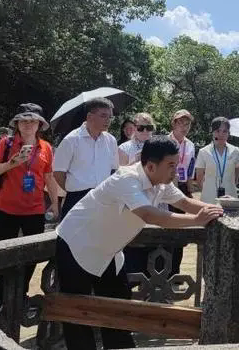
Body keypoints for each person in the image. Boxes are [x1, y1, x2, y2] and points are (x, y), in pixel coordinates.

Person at [55, 136, 223, 350]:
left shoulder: (161, 183)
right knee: (78, 314)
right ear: (151, 166)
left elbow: (183, 202)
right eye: (171, 165)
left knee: (118, 310)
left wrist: (215, 211)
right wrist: (196, 220)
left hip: (108, 252)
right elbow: (149, 214)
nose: (175, 171)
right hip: (76, 246)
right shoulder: (126, 178)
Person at [0, 103, 59, 307]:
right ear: (17, 123)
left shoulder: (46, 147)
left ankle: (20, 294)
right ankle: (2, 299)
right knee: (4, 255)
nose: (28, 124)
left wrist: (54, 203)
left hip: (34, 209)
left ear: (39, 125)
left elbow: (49, 177)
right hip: (6, 208)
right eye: (24, 120)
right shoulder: (6, 143)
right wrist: (13, 162)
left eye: (33, 121)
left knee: (32, 255)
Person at [53, 97, 119, 219]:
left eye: (110, 117)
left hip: (103, 197)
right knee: (72, 231)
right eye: (103, 116)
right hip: (77, 198)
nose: (108, 120)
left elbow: (113, 170)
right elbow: (58, 172)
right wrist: (73, 189)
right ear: (89, 116)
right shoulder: (71, 140)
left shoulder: (111, 140)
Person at [168, 109, 196, 277]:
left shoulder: (190, 144)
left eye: (187, 124)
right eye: (181, 123)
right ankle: (162, 271)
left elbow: (191, 167)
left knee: (179, 228)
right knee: (166, 226)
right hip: (166, 185)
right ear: (174, 123)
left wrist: (190, 188)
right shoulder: (165, 141)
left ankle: (175, 272)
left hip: (183, 186)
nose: (184, 127)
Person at [195, 117, 239, 204]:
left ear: (228, 133)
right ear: (212, 132)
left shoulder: (235, 151)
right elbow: (199, 177)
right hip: (209, 198)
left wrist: (230, 185)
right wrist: (207, 191)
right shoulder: (203, 152)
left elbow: (236, 174)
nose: (221, 134)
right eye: (217, 131)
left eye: (224, 131)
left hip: (230, 196)